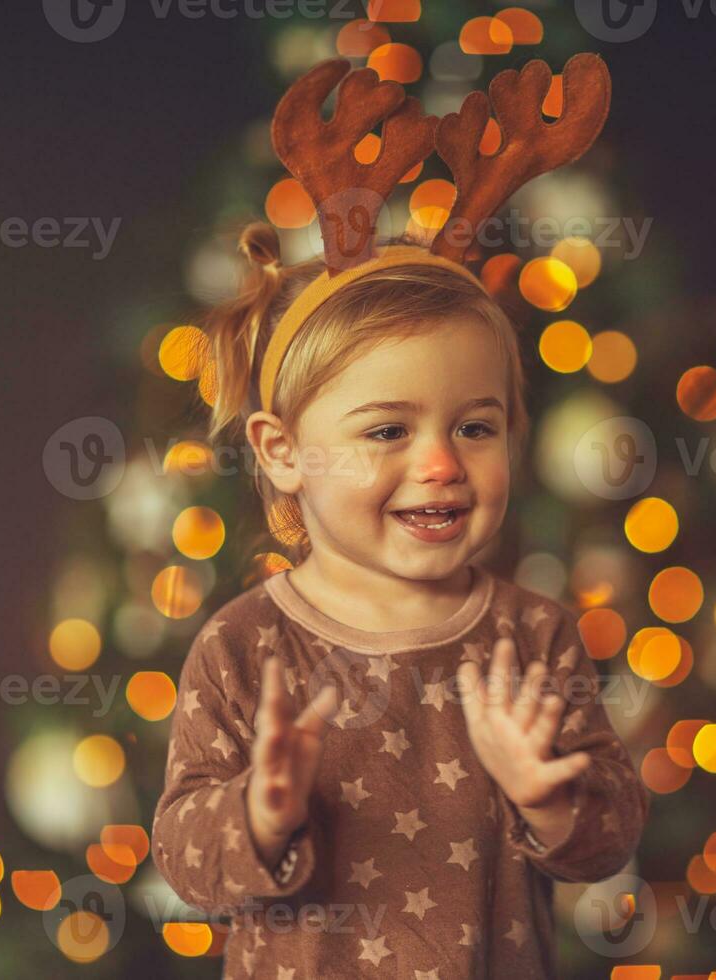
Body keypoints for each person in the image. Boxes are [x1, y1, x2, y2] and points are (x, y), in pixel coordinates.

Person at [150, 52, 644, 978]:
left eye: (476, 426)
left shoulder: (531, 636)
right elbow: (183, 856)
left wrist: (549, 797)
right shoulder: (244, 646)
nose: (441, 465)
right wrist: (257, 811)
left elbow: (608, 835)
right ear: (280, 451)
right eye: (386, 430)